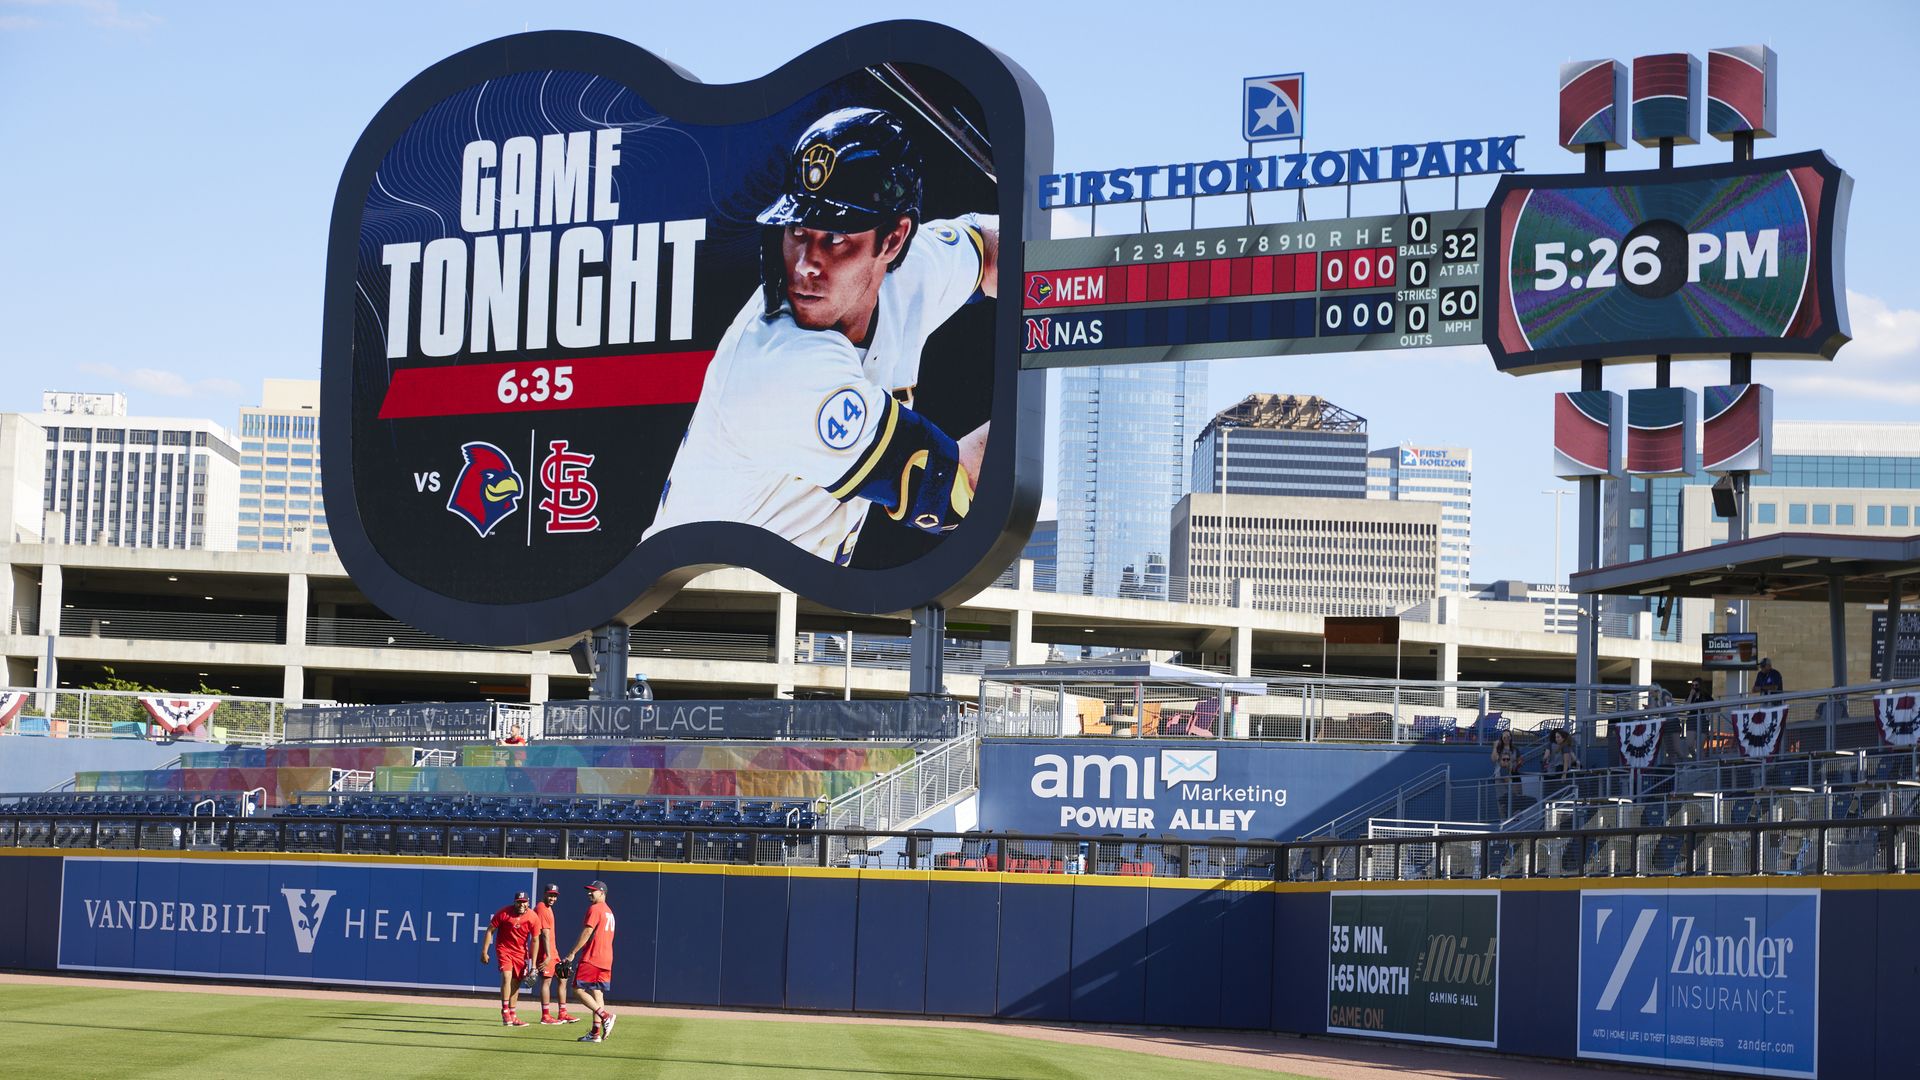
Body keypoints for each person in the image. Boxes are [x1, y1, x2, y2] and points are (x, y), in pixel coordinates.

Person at [643, 107, 999, 566]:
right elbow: (948, 493)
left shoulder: (906, 273)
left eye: (835, 237)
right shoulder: (779, 363)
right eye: (798, 230)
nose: (807, 263)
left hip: (775, 612)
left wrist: (1082, 268)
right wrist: (1073, 354)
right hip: (685, 624)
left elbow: (991, 249)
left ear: (892, 241)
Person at [564, 879, 618, 1044]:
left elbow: (587, 931)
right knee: (597, 993)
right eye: (589, 890)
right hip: (606, 958)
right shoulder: (609, 911)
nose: (589, 893)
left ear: (602, 893)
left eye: (593, 890)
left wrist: (572, 953)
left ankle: (605, 1016)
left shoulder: (595, 908)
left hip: (593, 956)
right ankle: (595, 1033)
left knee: (577, 990)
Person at [480, 890, 539, 1027]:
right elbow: (490, 930)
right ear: (515, 902)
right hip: (504, 949)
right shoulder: (504, 912)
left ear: (528, 903)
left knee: (516, 982)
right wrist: (484, 952)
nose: (521, 905)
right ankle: (505, 1011)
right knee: (507, 976)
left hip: (520, 953)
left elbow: (535, 940)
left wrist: (534, 965)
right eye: (519, 902)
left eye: (524, 902)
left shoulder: (533, 917)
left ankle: (513, 1014)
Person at [530, 883, 580, 1025]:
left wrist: (553, 953)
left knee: (563, 978)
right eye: (550, 895)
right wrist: (548, 955)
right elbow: (544, 934)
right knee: (546, 981)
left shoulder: (548, 908)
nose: (552, 898)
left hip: (553, 951)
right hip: (546, 953)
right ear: (544, 894)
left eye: (555, 896)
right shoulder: (541, 908)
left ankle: (562, 1013)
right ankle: (545, 1016)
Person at [1490, 731, 1522, 814]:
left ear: (1511, 737)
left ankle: (1514, 817)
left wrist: (1517, 764)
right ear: (1501, 738)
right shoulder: (1499, 748)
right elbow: (1494, 759)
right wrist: (1495, 747)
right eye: (1504, 737)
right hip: (1501, 775)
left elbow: (1520, 759)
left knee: (1516, 796)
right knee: (1502, 799)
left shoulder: (1514, 749)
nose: (1506, 739)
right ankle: (1503, 819)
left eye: (1508, 737)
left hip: (1513, 774)